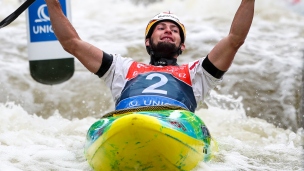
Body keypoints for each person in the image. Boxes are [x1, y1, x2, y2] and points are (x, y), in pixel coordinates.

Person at [45, 0, 255, 113]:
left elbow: (235, 39)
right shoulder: (121, 68)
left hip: (176, 128)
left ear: (182, 44)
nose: (168, 31)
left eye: (174, 30)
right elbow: (72, 44)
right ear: (147, 41)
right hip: (127, 123)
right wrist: (52, 3)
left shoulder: (197, 74)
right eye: (161, 28)